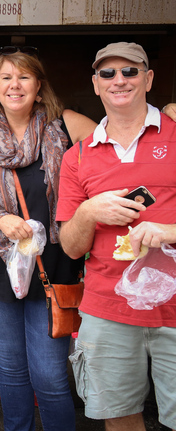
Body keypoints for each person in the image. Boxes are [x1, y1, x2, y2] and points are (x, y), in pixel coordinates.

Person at [0, 47, 96, 431]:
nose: (14, 85)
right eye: (6, 78)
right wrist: (0, 220)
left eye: (24, 77)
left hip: (53, 269)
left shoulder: (67, 127)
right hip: (2, 272)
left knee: (50, 378)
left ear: (38, 86)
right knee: (14, 371)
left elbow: (118, 144)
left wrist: (164, 117)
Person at [57, 42, 176, 431]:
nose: (119, 80)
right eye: (108, 73)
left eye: (130, 71)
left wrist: (169, 231)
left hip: (174, 310)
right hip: (107, 310)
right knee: (120, 419)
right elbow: (72, 247)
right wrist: (89, 212)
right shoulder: (77, 156)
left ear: (149, 78)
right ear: (95, 84)